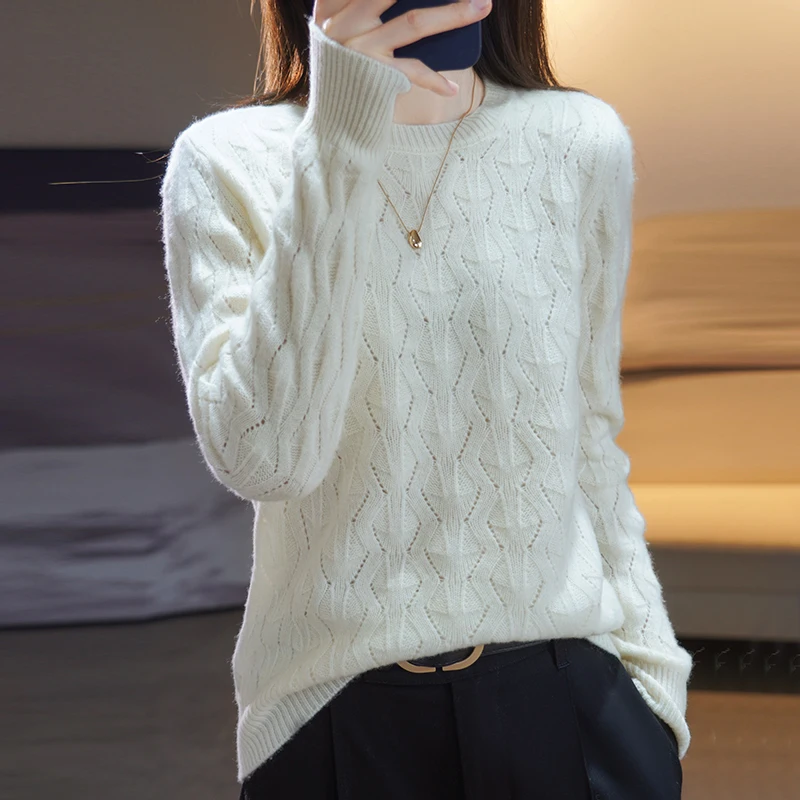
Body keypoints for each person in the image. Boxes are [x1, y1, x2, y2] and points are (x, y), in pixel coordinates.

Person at [159, 0, 694, 797]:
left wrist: (654, 693)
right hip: (334, 713)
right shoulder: (226, 160)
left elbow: (589, 437)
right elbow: (269, 459)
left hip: (566, 696)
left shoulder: (578, 141)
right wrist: (340, 137)